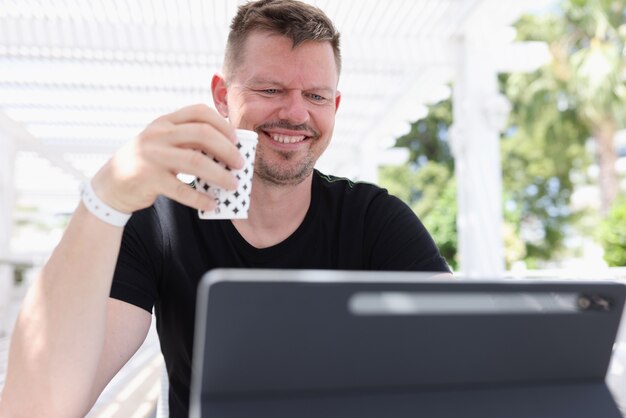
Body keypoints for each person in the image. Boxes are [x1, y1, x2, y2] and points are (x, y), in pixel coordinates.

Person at [0, 0, 450, 416]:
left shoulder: (373, 220)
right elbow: (37, 409)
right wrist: (105, 198)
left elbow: (459, 360)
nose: (295, 113)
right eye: (271, 89)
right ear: (222, 95)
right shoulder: (158, 223)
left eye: (315, 96)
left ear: (335, 105)